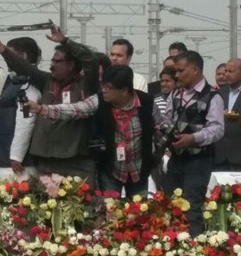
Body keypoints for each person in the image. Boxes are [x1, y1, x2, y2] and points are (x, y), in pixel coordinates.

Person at [26, 65, 163, 197]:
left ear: (124, 90)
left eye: (109, 88)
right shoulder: (99, 101)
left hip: (139, 171)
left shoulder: (147, 102)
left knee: (140, 213)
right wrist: (41, 109)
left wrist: (156, 157)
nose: (103, 90)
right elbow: (75, 109)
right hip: (110, 171)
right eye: (103, 85)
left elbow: (162, 129)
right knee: (110, 213)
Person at [0, 25, 99, 182]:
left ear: (71, 64)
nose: (52, 65)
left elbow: (91, 60)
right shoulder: (46, 81)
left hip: (75, 160)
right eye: (52, 60)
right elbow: (24, 66)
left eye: (57, 61)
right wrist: (2, 49)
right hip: (46, 160)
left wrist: (66, 41)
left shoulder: (86, 84)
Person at [162, 51, 224, 237]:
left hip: (198, 161)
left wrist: (193, 138)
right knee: (170, 204)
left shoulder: (213, 96)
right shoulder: (175, 94)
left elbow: (217, 129)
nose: (177, 75)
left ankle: (194, 245)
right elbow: (166, 118)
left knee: (192, 207)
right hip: (175, 159)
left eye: (181, 71)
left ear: (195, 69)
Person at [0, 37, 41, 179]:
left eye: (9, 53)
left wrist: (16, 156)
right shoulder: (13, 80)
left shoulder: (28, 84)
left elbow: (26, 121)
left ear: (23, 56)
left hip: (14, 165)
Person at [214, 58, 241, 172]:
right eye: (226, 71)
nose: (226, 74)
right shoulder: (219, 94)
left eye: (230, 72)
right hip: (220, 157)